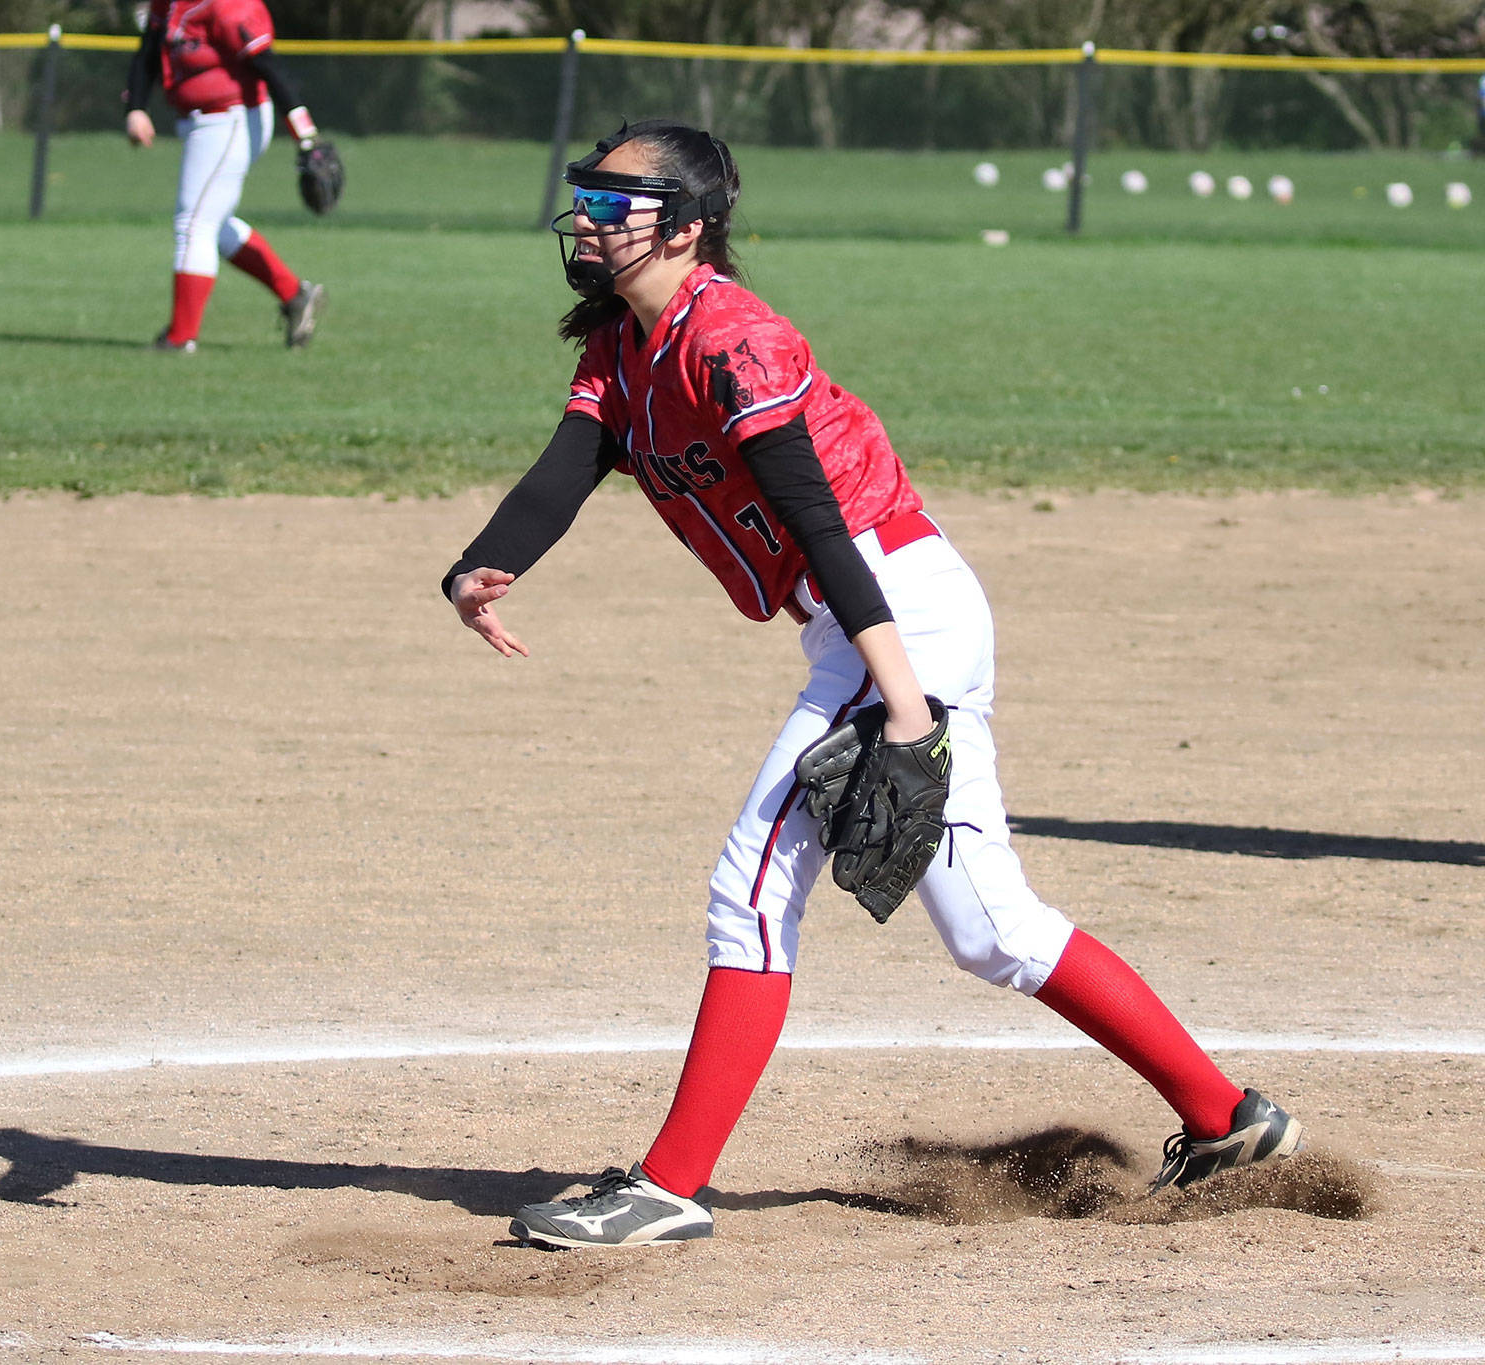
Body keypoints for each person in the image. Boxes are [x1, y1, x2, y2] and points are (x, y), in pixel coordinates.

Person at [441, 120, 1305, 1250]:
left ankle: (667, 1186)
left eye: (618, 204)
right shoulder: (621, 345)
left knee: (748, 887)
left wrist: (898, 695)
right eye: (587, 200)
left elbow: (818, 521)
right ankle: (1225, 1118)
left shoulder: (734, 340)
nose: (592, 221)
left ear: (691, 227)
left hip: (890, 615)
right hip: (888, 617)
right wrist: (482, 562)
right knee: (991, 930)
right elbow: (568, 467)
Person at [123, 0, 325, 352]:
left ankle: (180, 337)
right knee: (210, 221)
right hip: (200, 121)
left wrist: (305, 136)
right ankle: (295, 295)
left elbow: (268, 66)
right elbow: (150, 49)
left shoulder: (228, 3)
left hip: (232, 118)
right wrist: (136, 107)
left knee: (193, 224)